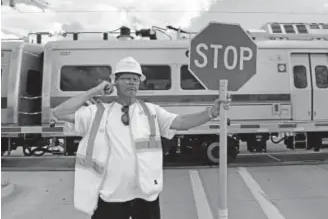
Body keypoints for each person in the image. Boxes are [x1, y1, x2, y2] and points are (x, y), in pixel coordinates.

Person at [52, 57, 230, 219]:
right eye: (126, 78)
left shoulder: (151, 111)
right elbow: (60, 112)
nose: (132, 83)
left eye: (135, 79)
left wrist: (210, 113)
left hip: (146, 196)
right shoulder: (98, 112)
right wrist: (95, 91)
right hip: (110, 196)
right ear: (115, 82)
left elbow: (181, 121)